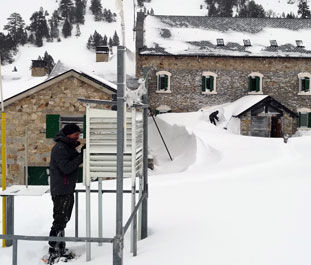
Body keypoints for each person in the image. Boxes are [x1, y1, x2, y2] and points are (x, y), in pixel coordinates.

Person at [48, 123, 85, 262]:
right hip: (61, 189)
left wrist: (80, 154)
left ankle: (60, 247)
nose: (78, 137)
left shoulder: (67, 146)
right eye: (76, 134)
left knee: (63, 219)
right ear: (68, 134)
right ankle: (54, 248)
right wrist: (81, 156)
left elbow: (73, 161)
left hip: (66, 188)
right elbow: (67, 168)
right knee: (60, 219)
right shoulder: (60, 148)